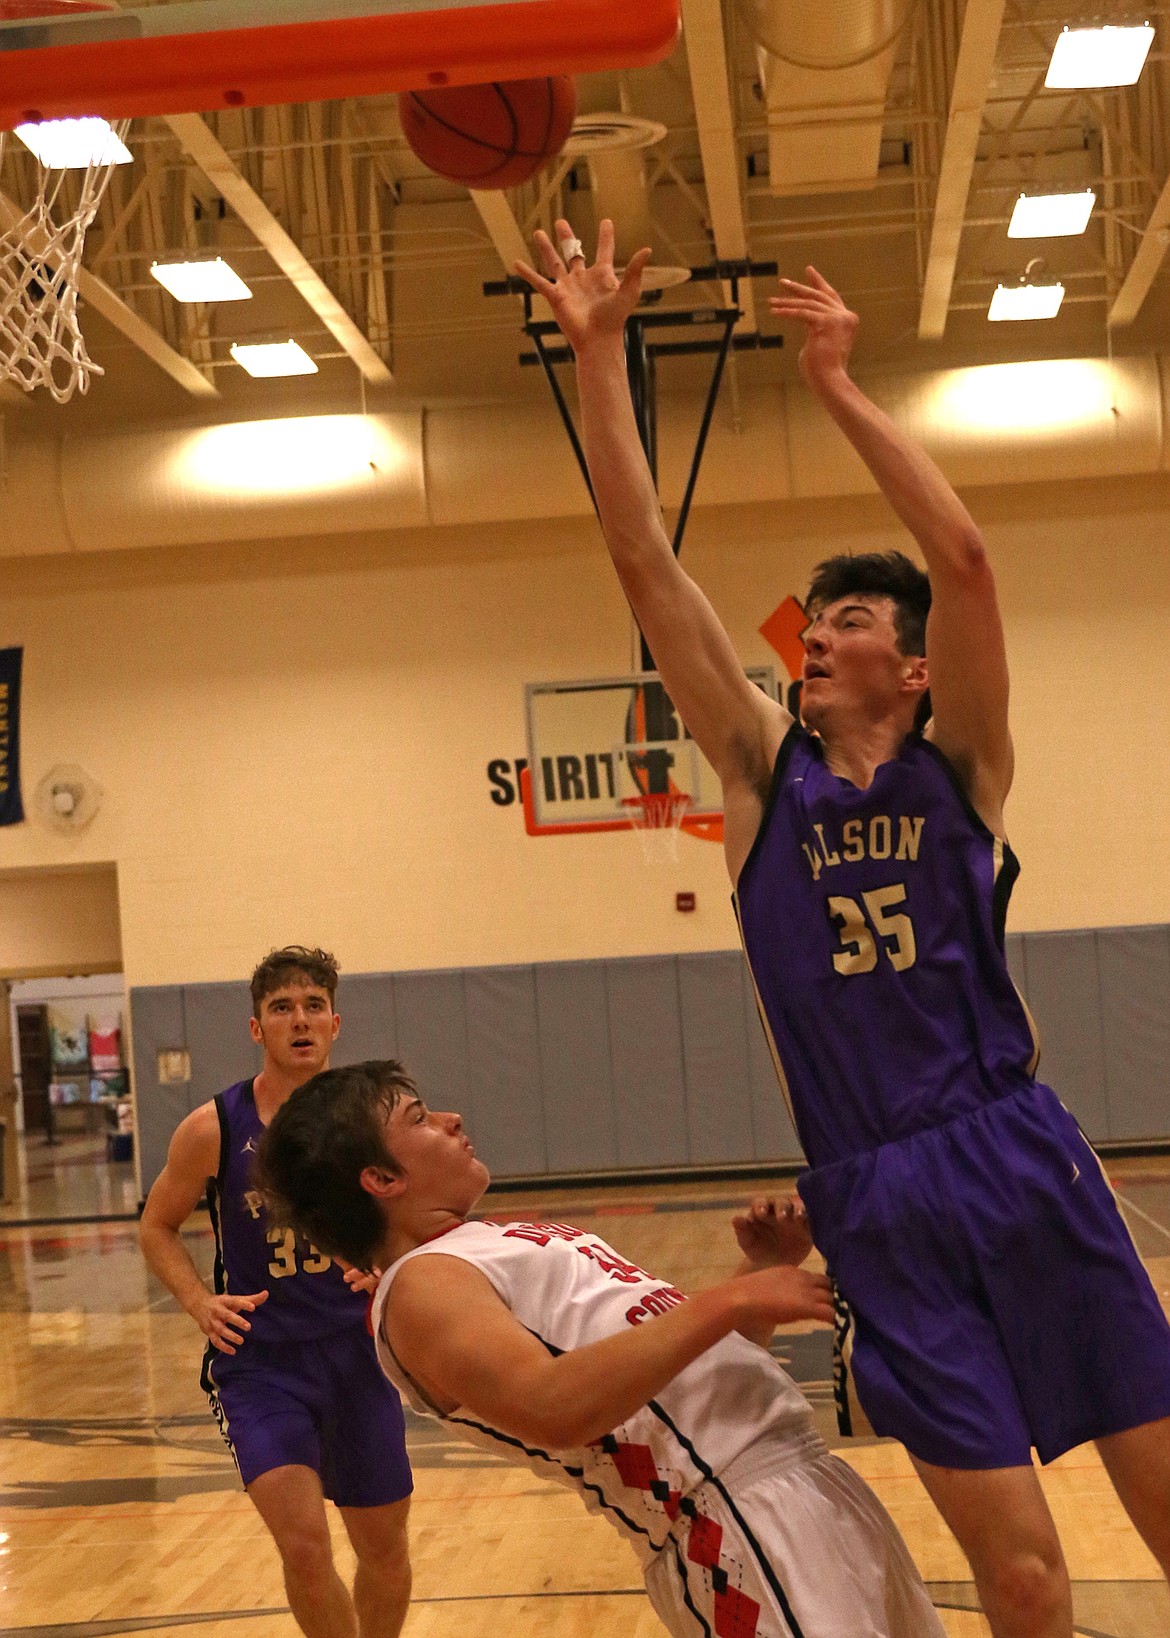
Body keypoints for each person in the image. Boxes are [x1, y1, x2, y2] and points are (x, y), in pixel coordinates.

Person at [513, 222, 1170, 1638]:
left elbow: (969, 553)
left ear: (913, 664)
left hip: (1017, 1151)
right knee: (1020, 1572)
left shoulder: (962, 768)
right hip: (874, 1195)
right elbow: (641, 558)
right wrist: (598, 351)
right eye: (808, 618)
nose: (812, 630)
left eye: (848, 616)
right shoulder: (761, 780)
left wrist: (837, 384)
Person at [256, 1058, 946, 1638]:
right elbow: (553, 1406)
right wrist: (726, 1302)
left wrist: (753, 1276)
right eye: (419, 1118)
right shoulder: (419, 1287)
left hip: (796, 1480)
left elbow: (669, 1388)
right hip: (729, 1524)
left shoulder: (476, 1247)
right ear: (381, 1180)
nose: (451, 1120)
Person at [138, 948, 412, 1638]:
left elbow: (423, 1219)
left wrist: (391, 1263)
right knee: (303, 1547)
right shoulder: (215, 1129)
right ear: (257, 1029)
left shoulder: (376, 1119)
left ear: (336, 1023)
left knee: (383, 1550)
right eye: (282, 1008)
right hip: (261, 1365)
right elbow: (156, 1227)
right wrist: (201, 1301)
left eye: (313, 1005)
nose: (300, 1020)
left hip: (357, 1355)